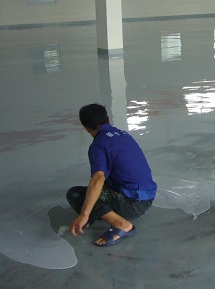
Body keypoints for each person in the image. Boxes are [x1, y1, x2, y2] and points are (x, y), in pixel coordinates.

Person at [67, 103, 157, 247]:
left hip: (133, 204)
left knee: (76, 194)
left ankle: (121, 224)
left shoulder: (98, 145)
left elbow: (98, 178)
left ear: (86, 128)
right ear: (107, 119)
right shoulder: (123, 134)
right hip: (147, 196)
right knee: (101, 186)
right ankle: (100, 214)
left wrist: (84, 214)